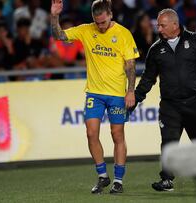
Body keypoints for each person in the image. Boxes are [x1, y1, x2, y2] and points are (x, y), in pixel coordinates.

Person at [51, 0, 139, 194]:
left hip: (116, 93)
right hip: (95, 92)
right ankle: (102, 176)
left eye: (103, 22)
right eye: (97, 23)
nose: (100, 26)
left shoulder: (123, 34)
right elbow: (59, 36)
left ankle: (118, 180)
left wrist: (131, 90)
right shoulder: (86, 30)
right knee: (91, 133)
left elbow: (130, 65)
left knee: (117, 135)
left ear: (110, 15)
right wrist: (55, 16)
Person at [133, 8, 196, 191]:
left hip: (195, 101)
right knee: (168, 142)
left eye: (162, 25)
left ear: (174, 24)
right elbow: (148, 78)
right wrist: (136, 97)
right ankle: (166, 180)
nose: (159, 29)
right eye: (158, 25)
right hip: (169, 105)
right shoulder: (155, 49)